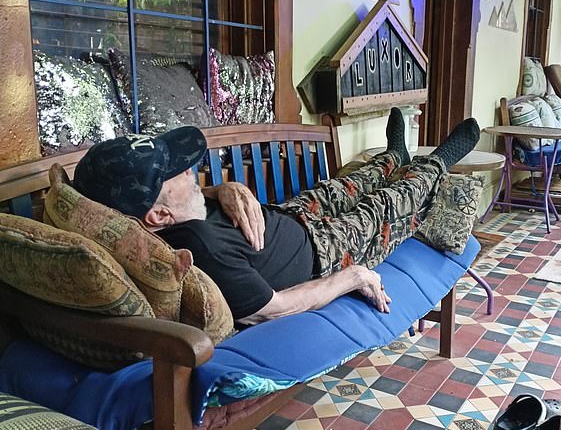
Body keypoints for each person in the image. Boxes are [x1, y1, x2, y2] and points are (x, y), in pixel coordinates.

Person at [73, 111, 480, 326]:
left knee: (350, 182)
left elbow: (185, 203)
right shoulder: (199, 254)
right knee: (391, 202)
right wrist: (353, 276)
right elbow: (273, 308)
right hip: (328, 251)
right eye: (178, 173)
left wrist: (222, 190)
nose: (191, 172)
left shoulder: (169, 214)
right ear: (158, 214)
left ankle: (394, 155)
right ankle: (438, 162)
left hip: (291, 214)